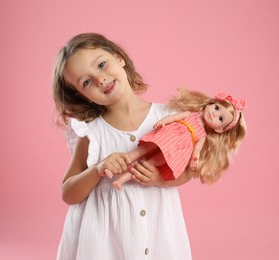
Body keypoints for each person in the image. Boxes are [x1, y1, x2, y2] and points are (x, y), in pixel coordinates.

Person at [52, 33, 192, 260]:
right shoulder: (92, 132)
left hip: (159, 234)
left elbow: (187, 170)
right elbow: (68, 193)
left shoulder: (168, 117)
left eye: (101, 65)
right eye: (86, 82)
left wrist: (159, 178)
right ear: (82, 95)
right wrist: (97, 169)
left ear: (119, 58)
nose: (100, 79)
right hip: (105, 243)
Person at [109, 88, 247, 190]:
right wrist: (163, 121)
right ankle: (122, 163)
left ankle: (121, 180)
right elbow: (174, 118)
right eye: (217, 108)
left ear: (219, 129)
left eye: (220, 118)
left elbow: (196, 152)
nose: (214, 114)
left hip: (175, 152)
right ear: (210, 103)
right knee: (142, 150)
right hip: (165, 136)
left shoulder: (202, 136)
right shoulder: (190, 115)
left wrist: (194, 160)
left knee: (149, 165)